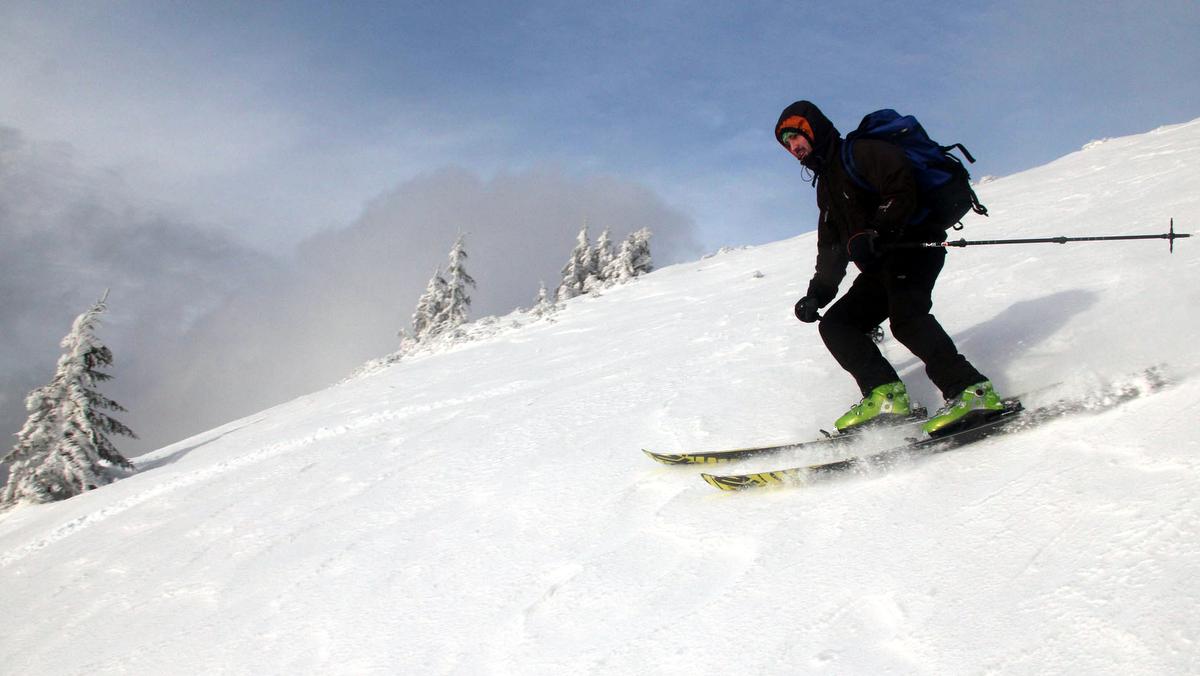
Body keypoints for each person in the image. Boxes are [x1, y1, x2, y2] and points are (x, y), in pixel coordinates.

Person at [776, 100, 1005, 436]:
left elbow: (901, 186)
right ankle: (886, 395)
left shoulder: (860, 152)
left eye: (796, 136)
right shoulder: (826, 186)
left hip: (913, 246)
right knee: (838, 324)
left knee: (907, 319)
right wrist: (817, 294)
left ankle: (971, 391)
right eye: (786, 144)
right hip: (881, 264)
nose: (793, 147)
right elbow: (831, 247)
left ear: (814, 130)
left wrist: (877, 231)